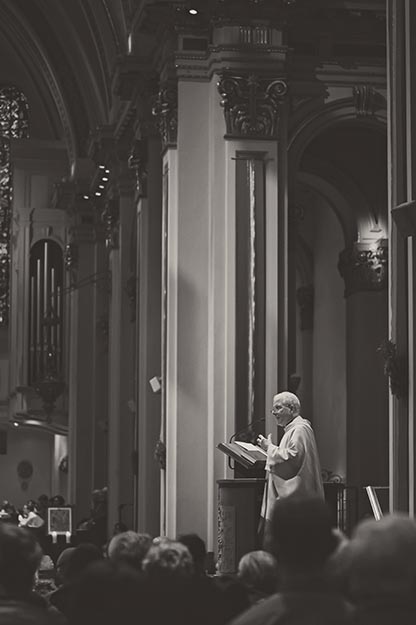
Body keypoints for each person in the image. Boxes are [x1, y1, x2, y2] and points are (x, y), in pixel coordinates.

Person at [256, 391, 324, 538]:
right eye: (273, 409)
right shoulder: (293, 430)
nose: (274, 412)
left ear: (292, 409)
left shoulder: (300, 429)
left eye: (278, 408)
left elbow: (293, 458)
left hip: (297, 504)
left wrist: (269, 448)